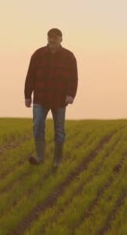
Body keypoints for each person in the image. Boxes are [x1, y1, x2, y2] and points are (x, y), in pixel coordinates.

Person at [24, 27, 78, 170]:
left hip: (60, 99)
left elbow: (73, 78)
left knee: (59, 130)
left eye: (55, 37)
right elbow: (30, 75)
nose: (52, 40)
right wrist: (27, 95)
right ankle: (40, 158)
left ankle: (57, 162)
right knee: (37, 127)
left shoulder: (69, 56)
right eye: (50, 37)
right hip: (40, 98)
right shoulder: (38, 54)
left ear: (61, 39)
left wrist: (71, 94)